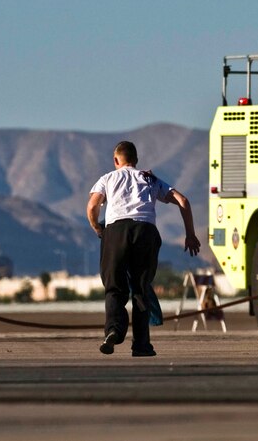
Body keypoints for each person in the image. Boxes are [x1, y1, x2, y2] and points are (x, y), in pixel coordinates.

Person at [87, 141, 200, 357]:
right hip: (145, 231)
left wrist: (97, 228)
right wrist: (190, 234)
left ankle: (113, 331)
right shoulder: (149, 178)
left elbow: (93, 206)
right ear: (136, 160)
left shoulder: (108, 178)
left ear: (115, 160)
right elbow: (183, 200)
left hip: (116, 231)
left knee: (115, 288)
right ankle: (141, 345)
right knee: (140, 289)